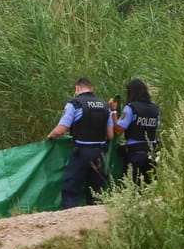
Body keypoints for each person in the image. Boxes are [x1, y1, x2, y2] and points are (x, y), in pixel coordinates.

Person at [47, 77, 113, 208]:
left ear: (77, 88)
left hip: (81, 153)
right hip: (99, 154)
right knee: (97, 192)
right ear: (92, 88)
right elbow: (110, 135)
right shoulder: (105, 106)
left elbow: (61, 129)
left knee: (70, 187)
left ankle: (71, 223)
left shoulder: (75, 104)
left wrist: (50, 136)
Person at [110, 78, 160, 185]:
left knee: (131, 188)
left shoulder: (131, 108)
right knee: (149, 188)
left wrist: (113, 111)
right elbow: (155, 128)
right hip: (151, 154)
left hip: (135, 155)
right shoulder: (156, 109)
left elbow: (118, 130)